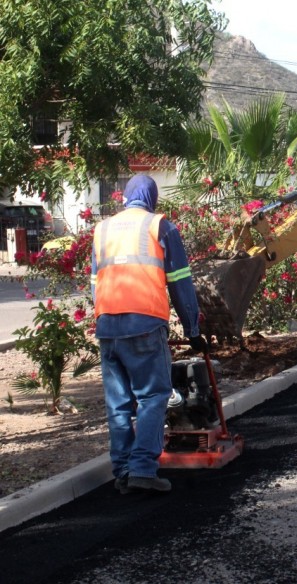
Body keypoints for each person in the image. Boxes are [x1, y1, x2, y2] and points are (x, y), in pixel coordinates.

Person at [91, 174, 205, 493]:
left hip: (108, 326)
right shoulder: (159, 226)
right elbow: (180, 281)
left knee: (118, 403)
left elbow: (94, 283)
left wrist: (104, 319)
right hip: (144, 324)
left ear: (125, 198)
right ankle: (142, 469)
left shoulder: (102, 230)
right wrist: (193, 329)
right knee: (153, 396)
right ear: (152, 198)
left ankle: (124, 471)